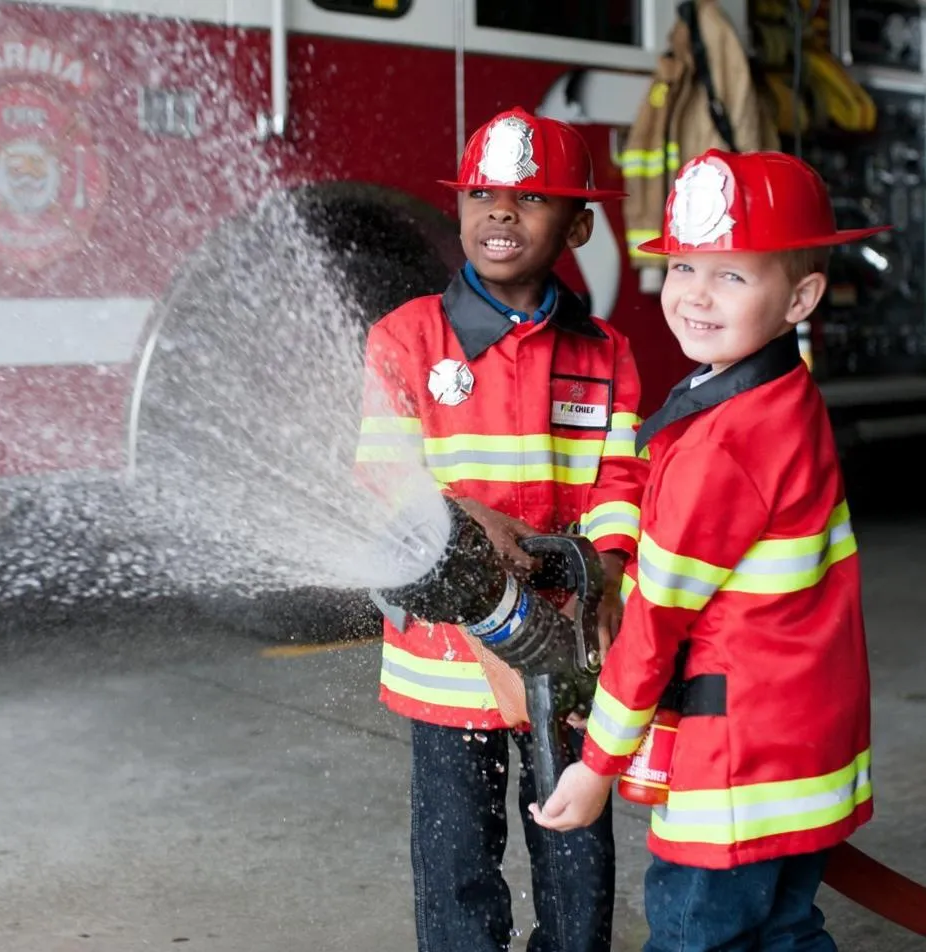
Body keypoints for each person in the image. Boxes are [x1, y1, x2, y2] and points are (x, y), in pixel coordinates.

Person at [531, 149, 885, 952]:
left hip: (737, 765)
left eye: (731, 275)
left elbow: (657, 618)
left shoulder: (724, 443)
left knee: (700, 936)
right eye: (685, 263)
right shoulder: (782, 396)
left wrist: (596, 766)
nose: (693, 293)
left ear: (801, 296)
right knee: (785, 930)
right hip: (804, 745)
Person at [355, 106, 649, 951]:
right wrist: (461, 515)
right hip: (447, 664)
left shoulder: (605, 352)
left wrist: (608, 580)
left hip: (563, 648)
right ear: (459, 209)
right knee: (456, 866)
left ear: (581, 223)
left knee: (574, 848)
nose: (500, 213)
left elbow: (619, 482)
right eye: (482, 193)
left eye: (530, 199)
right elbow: (379, 477)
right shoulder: (404, 340)